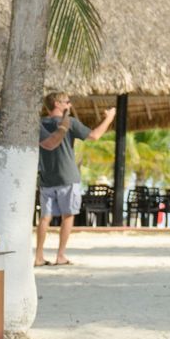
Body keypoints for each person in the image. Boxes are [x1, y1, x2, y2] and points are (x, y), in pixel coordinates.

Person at [36, 94, 114, 267]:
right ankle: (60, 255)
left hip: (46, 177)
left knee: (44, 218)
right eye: (67, 102)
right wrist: (109, 118)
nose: (70, 105)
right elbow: (94, 136)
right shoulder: (69, 122)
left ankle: (39, 257)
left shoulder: (39, 124)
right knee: (68, 216)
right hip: (67, 176)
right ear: (57, 104)